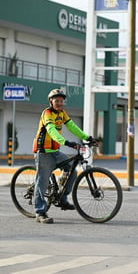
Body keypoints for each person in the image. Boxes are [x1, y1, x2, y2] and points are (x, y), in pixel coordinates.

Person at [32, 89, 95, 224]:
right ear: (51, 101)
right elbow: (51, 130)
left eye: (61, 101)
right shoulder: (47, 113)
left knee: (72, 171)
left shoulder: (62, 113)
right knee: (42, 182)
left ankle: (62, 199)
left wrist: (87, 137)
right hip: (43, 151)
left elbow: (72, 126)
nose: (59, 103)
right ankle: (40, 212)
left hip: (55, 151)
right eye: (56, 101)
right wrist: (65, 142)